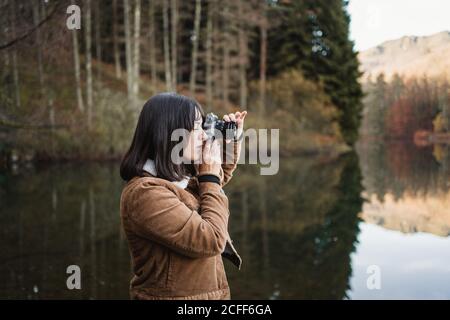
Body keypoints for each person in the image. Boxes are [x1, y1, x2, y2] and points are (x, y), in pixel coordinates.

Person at [119, 92, 246, 300]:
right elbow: (211, 239)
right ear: (168, 132)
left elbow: (213, 183)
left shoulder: (176, 180)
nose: (204, 135)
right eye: (196, 127)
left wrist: (231, 139)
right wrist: (209, 178)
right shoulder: (145, 194)